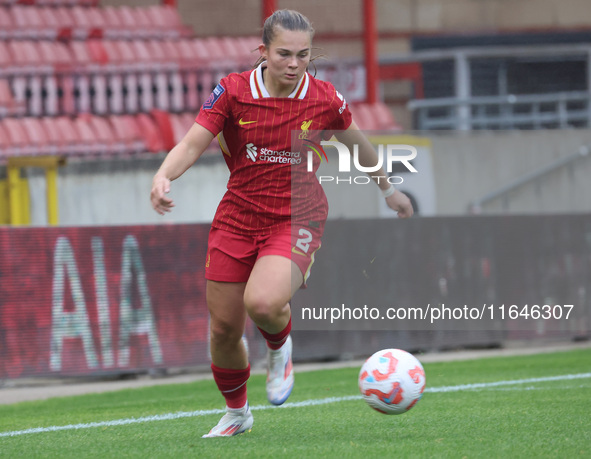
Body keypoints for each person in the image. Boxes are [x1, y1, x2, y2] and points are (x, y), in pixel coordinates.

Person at [150, 9, 413, 438]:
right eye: (284, 54)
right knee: (223, 328)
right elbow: (192, 141)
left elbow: (361, 148)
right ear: (264, 51)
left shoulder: (324, 98)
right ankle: (237, 414)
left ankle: (279, 348)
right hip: (237, 218)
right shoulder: (233, 92)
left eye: (303, 55)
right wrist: (163, 175)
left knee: (265, 304)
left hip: (296, 216)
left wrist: (388, 190)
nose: (294, 64)